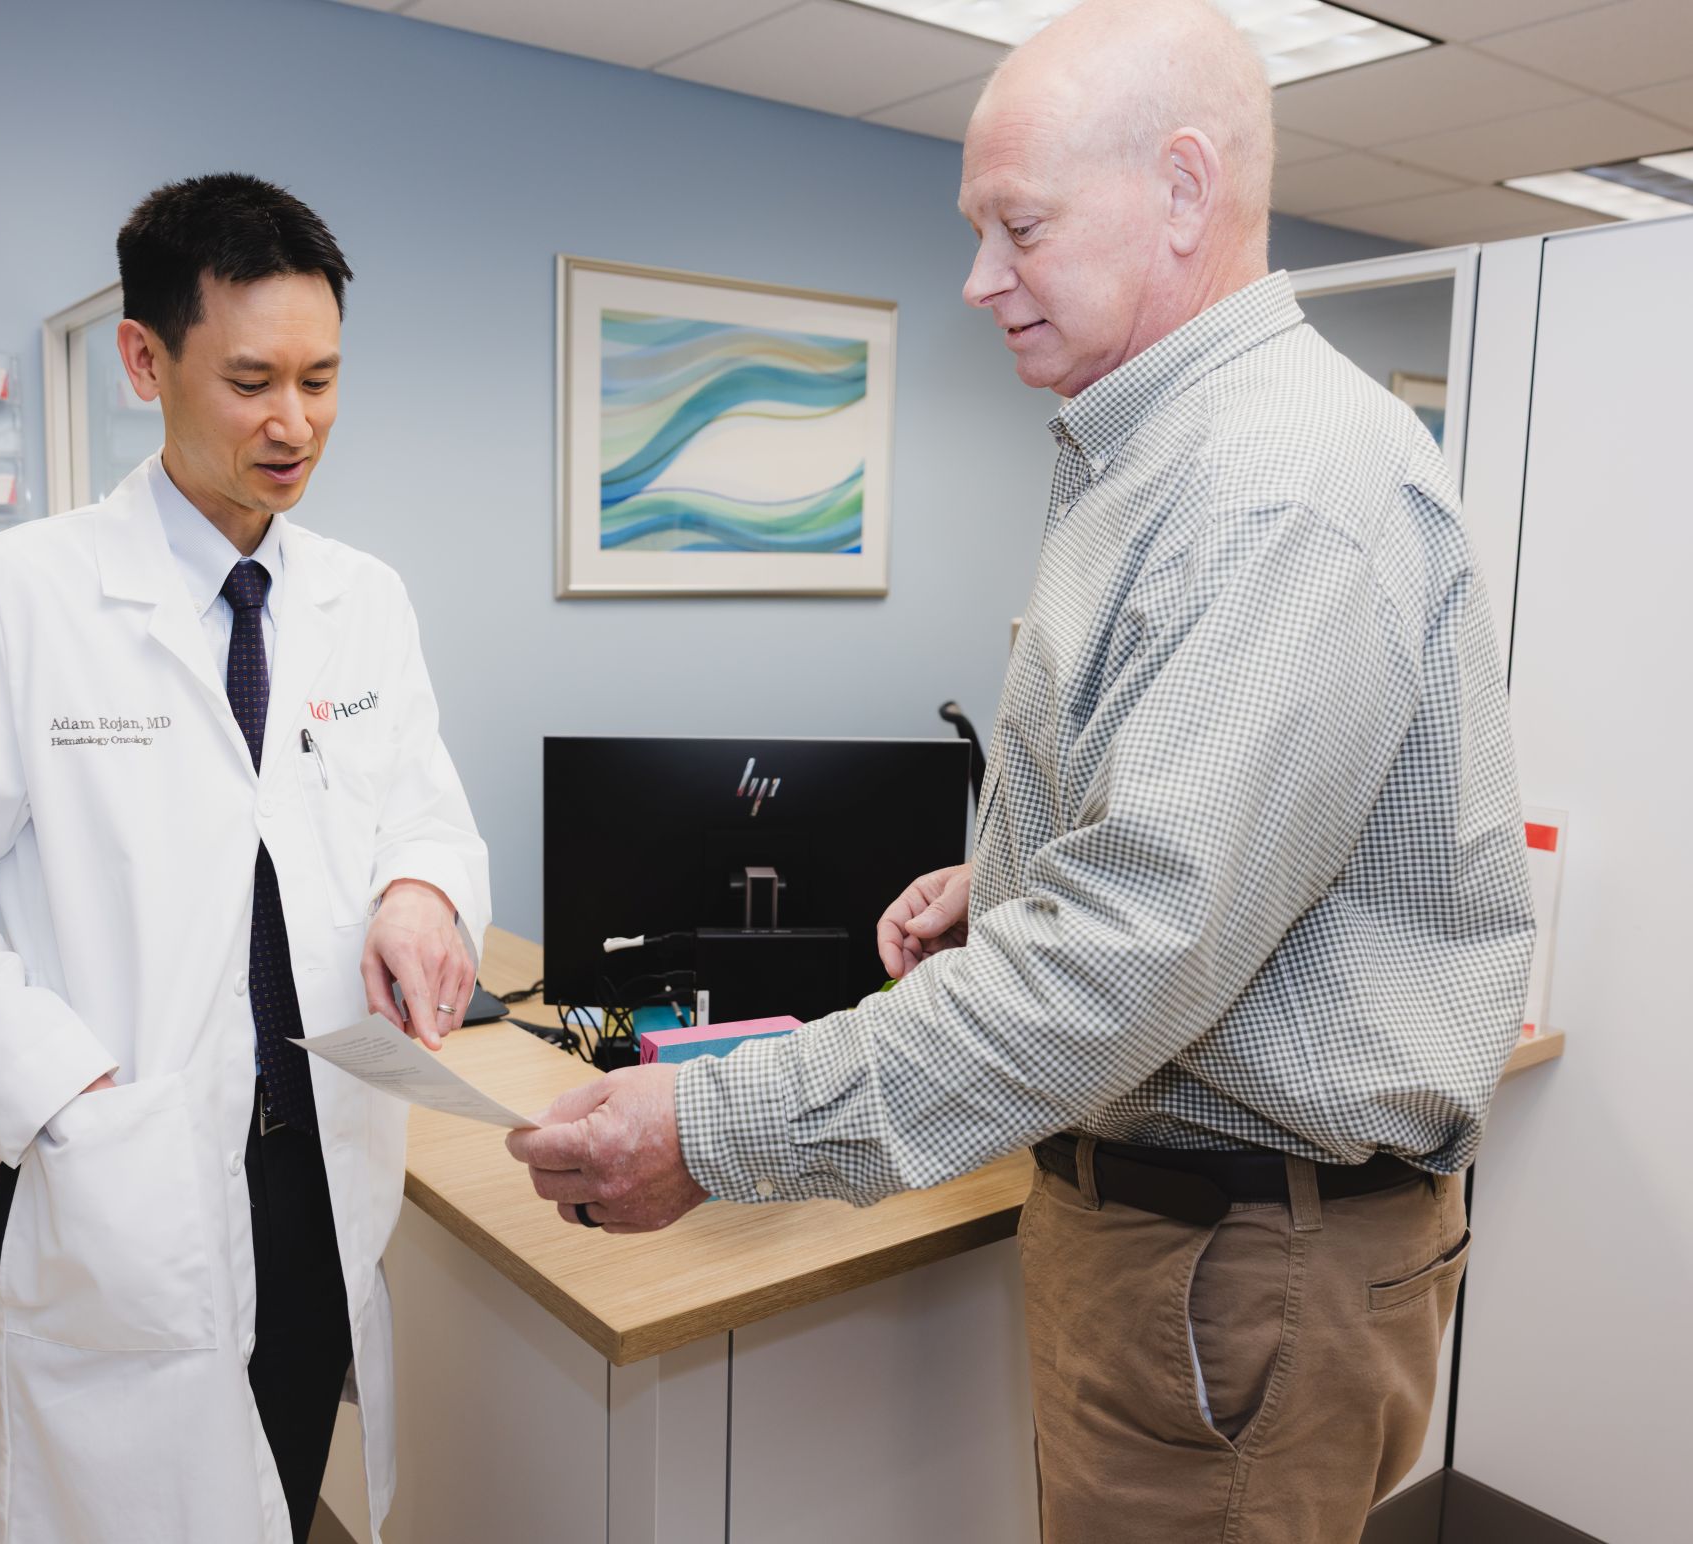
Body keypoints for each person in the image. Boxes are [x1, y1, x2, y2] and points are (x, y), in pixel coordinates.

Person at [506, 2, 1536, 1537]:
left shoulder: (1276, 492)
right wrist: (1007, 880)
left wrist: (717, 1128)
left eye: (1020, 226)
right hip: (1168, 1232)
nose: (978, 278)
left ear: (1181, 191)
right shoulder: (1156, 456)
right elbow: (1183, 840)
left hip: (1233, 1260)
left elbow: (1130, 954)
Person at [0, 173, 488, 1544]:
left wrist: (421, 892)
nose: (294, 423)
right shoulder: (21, 598)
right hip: (127, 1166)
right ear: (144, 359)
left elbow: (423, 810)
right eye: (251, 381)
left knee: (286, 1470)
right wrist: (63, 1095)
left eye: (321, 378)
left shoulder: (364, 600)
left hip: (321, 1156)